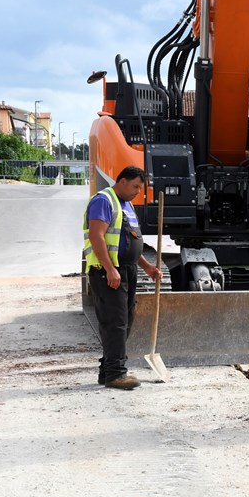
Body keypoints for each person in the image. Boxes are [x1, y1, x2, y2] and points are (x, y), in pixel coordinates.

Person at [84, 166, 162, 390]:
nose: (138, 191)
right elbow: (96, 236)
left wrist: (147, 266)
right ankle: (116, 374)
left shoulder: (126, 205)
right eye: (136, 186)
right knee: (115, 322)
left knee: (125, 321)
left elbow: (129, 241)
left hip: (127, 269)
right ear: (123, 181)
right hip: (107, 270)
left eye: (141, 187)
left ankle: (107, 370)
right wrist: (110, 269)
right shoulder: (104, 200)